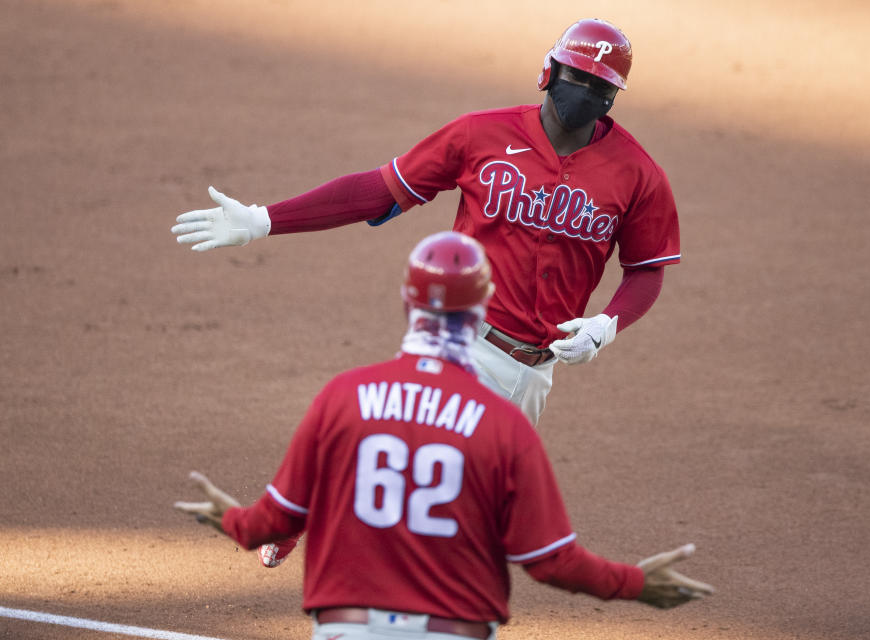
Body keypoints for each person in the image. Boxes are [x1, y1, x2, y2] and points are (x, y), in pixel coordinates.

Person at [174, 231, 713, 640]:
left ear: (408, 303)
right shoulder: (502, 425)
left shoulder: (344, 396)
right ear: (481, 309)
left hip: (346, 628)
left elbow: (270, 524)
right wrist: (636, 585)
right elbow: (550, 561)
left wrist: (228, 517)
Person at [171, 18, 680, 430]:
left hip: (536, 371)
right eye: (576, 77)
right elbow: (378, 190)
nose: (584, 92)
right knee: (407, 452)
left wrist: (606, 325)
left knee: (465, 513)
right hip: (458, 341)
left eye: (598, 86)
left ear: (612, 97)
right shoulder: (480, 135)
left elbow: (645, 269)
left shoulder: (638, 174)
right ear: (548, 72)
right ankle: (303, 507)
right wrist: (265, 219)